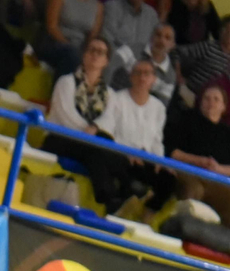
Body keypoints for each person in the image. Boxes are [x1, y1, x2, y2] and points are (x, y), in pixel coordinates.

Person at [42, 36, 136, 213]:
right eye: (91, 50)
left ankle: (108, 197)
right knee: (99, 144)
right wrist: (91, 132)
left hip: (90, 145)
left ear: (106, 61)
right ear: (84, 55)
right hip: (61, 138)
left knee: (96, 150)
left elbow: (109, 120)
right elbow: (66, 116)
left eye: (101, 52)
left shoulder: (110, 93)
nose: (95, 55)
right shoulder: (66, 82)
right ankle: (126, 185)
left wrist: (95, 128)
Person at [98, 57, 173, 218]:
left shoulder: (159, 107)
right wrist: (127, 152)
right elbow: (108, 131)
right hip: (122, 155)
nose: (142, 77)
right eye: (138, 73)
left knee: (169, 179)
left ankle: (146, 218)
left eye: (147, 74)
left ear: (153, 79)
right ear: (131, 77)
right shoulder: (117, 99)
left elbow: (156, 140)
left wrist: (160, 160)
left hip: (146, 158)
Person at [165, 84, 230, 219]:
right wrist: (199, 161)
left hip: (216, 179)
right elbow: (173, 152)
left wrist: (217, 168)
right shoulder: (186, 120)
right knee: (194, 190)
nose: (211, 102)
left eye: (216, 99)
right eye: (207, 98)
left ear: (223, 106)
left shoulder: (227, 133)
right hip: (188, 173)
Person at [36, 0, 103, 79]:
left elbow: (93, 35)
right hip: (54, 43)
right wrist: (69, 46)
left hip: (79, 49)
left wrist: (86, 53)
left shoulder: (98, 6)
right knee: (72, 55)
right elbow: (51, 26)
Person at [100, 0, 160, 74]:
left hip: (143, 67)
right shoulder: (112, 7)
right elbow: (107, 41)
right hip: (116, 62)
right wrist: (129, 63)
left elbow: (154, 45)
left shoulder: (151, 14)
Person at [112, 21, 177, 105]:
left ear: (172, 45)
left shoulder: (170, 76)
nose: (161, 40)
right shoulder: (133, 48)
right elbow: (110, 66)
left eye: (167, 38)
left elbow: (161, 105)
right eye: (158, 35)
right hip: (114, 97)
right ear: (151, 37)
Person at [178, 20, 230, 103]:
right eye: (227, 31)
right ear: (222, 32)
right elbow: (177, 52)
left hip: (215, 104)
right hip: (191, 95)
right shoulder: (209, 47)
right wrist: (178, 75)